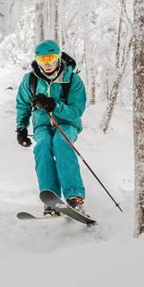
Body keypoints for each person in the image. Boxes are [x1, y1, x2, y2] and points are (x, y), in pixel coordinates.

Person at [15, 39, 87, 216]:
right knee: (42, 147)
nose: (47, 64)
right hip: (42, 125)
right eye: (42, 60)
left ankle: (74, 197)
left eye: (51, 59)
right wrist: (21, 128)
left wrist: (54, 105)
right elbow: (22, 105)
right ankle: (51, 198)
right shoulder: (30, 80)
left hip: (67, 124)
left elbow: (76, 111)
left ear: (59, 57)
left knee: (62, 143)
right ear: (37, 60)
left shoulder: (72, 79)